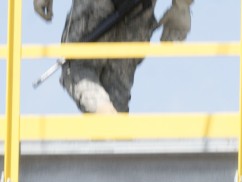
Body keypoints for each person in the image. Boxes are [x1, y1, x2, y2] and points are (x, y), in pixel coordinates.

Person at [33, 0, 193, 114]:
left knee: (77, 68)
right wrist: (182, 6)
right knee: (117, 86)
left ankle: (108, 118)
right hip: (141, 7)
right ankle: (115, 135)